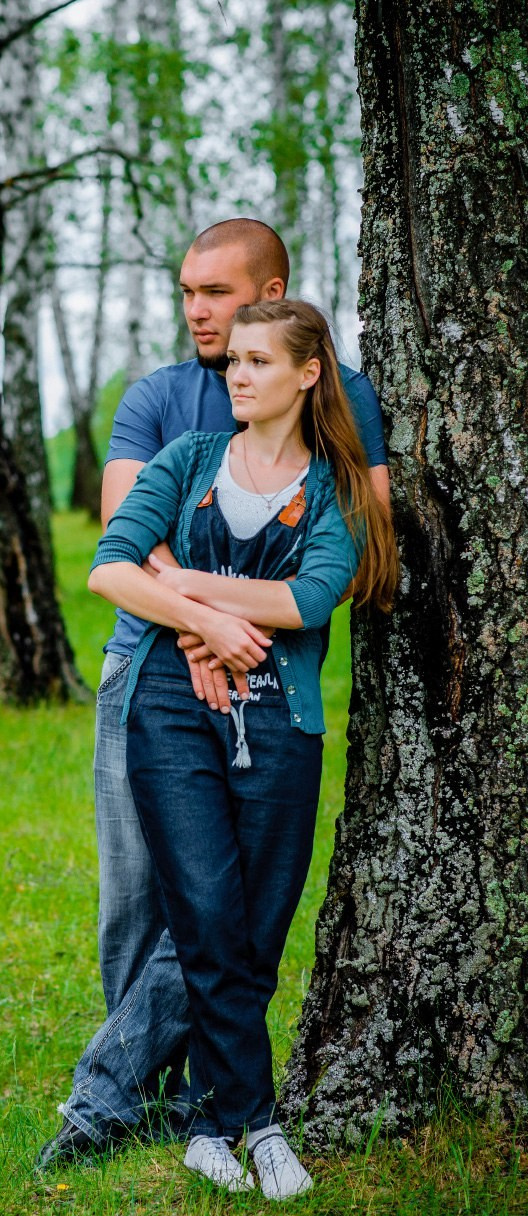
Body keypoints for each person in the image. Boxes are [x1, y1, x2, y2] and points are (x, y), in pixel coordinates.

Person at [36, 220, 390, 1172]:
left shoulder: (344, 404)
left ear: (274, 300)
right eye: (188, 294)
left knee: (230, 916)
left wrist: (210, 602)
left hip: (270, 693)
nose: (201, 316)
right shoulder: (165, 406)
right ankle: (149, 1103)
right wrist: (201, 624)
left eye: (218, 296)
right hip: (152, 667)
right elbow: (121, 537)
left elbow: (347, 560)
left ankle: (173, 1110)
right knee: (148, 904)